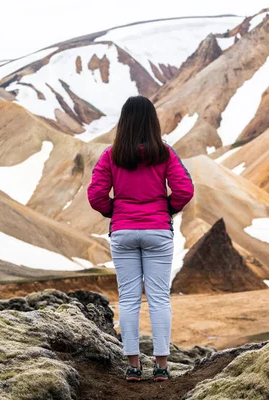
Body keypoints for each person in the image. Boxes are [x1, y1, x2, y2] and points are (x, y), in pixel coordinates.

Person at [88, 96, 194, 382]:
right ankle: (161, 367)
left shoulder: (111, 155)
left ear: (123, 123)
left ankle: (133, 367)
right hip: (158, 230)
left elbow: (96, 195)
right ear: (152, 122)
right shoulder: (164, 153)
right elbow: (184, 190)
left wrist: (117, 213)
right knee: (159, 299)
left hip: (122, 231)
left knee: (129, 299)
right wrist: (165, 209)